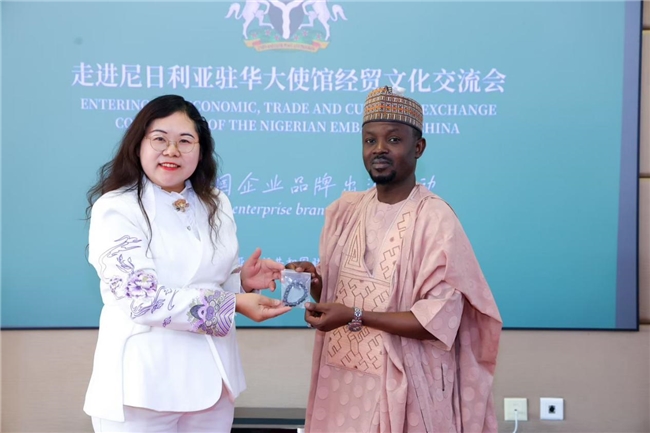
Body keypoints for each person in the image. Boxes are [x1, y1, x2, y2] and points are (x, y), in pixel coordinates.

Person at [287, 86, 502, 433]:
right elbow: (337, 293)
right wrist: (315, 282)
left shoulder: (435, 219)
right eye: (369, 140)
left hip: (407, 384)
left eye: (393, 140)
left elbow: (437, 321)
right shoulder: (346, 210)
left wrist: (354, 315)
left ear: (418, 148)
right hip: (340, 383)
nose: (379, 149)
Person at [84, 94, 291, 432]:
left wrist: (241, 282)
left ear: (200, 149)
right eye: (160, 139)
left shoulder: (216, 203)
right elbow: (142, 300)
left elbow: (207, 280)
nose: (172, 151)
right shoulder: (117, 207)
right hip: (142, 386)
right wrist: (234, 304)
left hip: (213, 383)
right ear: (139, 145)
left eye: (185, 141)